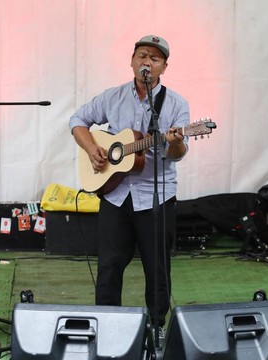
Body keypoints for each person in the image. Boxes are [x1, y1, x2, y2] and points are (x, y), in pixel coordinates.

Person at [69, 35, 190, 345]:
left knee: (157, 266)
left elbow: (178, 153)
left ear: (164, 66)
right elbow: (78, 119)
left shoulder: (176, 103)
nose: (146, 62)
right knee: (109, 265)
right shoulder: (113, 97)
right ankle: (107, 324)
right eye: (141, 55)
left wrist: (175, 141)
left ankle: (156, 326)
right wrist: (93, 148)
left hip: (156, 196)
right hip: (116, 194)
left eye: (154, 58)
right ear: (132, 60)